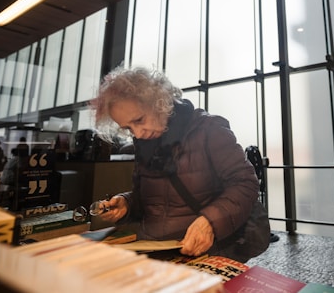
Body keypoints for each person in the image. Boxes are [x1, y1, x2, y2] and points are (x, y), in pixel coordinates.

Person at [90, 66, 263, 261]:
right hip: (155, 251)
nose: (137, 134)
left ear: (158, 101)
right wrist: (127, 204)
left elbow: (245, 184)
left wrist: (210, 222)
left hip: (203, 251)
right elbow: (151, 200)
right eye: (128, 128)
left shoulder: (208, 129)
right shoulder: (144, 143)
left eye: (139, 120)